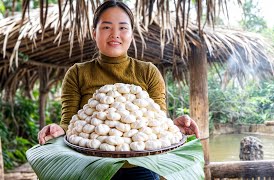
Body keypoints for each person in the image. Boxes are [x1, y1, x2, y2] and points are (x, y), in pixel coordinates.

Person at [38, 0, 200, 179]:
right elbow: (70, 123)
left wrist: (172, 127)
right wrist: (58, 130)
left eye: (123, 28)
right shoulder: (77, 73)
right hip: (91, 167)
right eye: (106, 27)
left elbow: (156, 121)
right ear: (94, 33)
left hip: (142, 168)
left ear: (131, 34)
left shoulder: (148, 72)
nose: (115, 34)